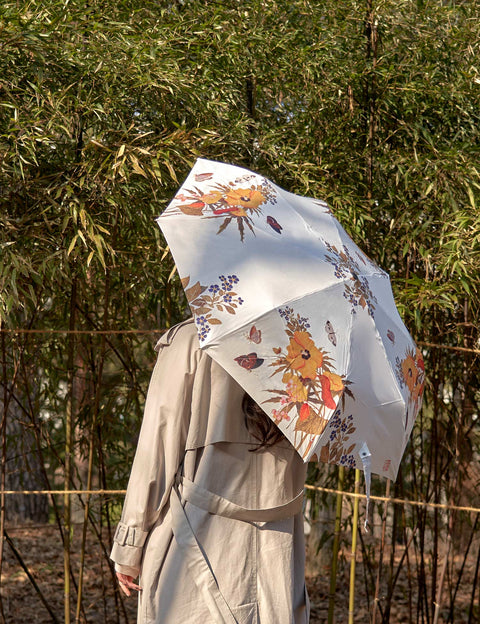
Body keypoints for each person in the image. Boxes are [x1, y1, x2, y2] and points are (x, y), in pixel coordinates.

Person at [110, 317, 309, 623]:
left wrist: (129, 545)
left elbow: (157, 449)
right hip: (277, 557)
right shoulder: (307, 354)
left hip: (195, 548)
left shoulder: (193, 339)